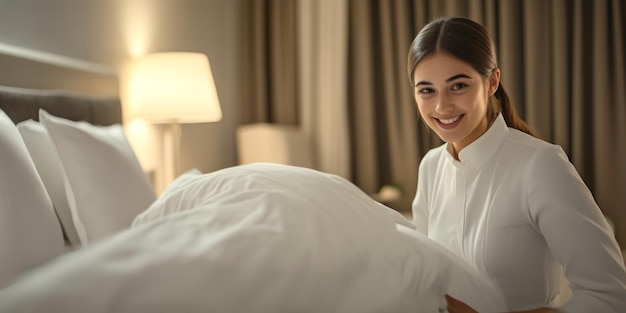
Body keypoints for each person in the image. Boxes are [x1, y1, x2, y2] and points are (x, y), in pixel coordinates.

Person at [407, 16, 626, 313]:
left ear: (492, 82)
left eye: (458, 85)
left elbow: (610, 295)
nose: (441, 106)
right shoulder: (431, 167)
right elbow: (426, 276)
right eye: (427, 90)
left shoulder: (540, 165)